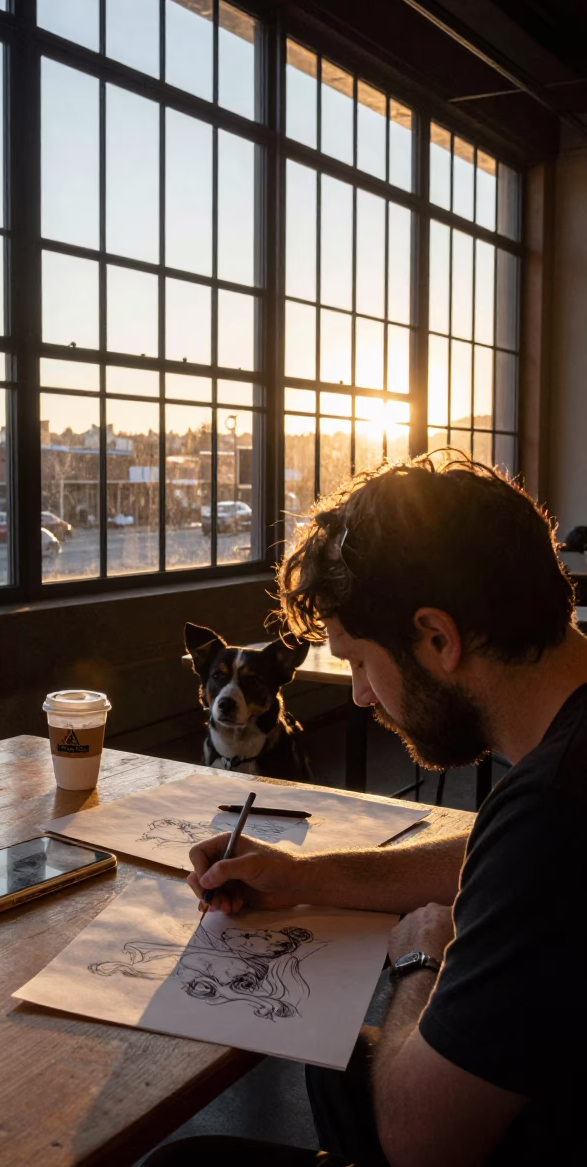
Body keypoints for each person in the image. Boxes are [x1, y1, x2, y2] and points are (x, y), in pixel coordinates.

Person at [144, 453, 586, 1167]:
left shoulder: (554, 816)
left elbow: (418, 1145)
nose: (359, 695)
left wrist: (421, 959)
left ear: (437, 638)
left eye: (356, 660)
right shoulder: (559, 772)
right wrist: (302, 876)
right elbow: (491, 858)